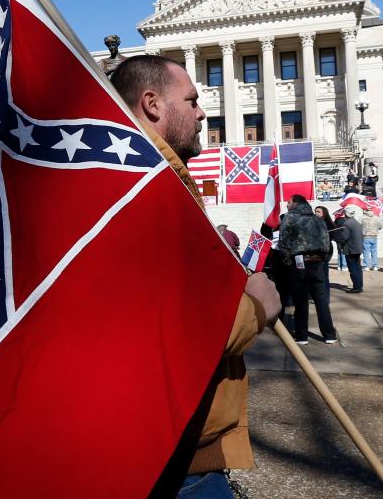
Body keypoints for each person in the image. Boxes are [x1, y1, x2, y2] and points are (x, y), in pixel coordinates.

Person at [110, 55, 281, 497]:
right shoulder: (144, 191)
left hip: (179, 449)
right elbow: (171, 334)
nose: (203, 112)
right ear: (152, 104)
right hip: (172, 460)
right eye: (191, 100)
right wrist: (257, 305)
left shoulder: (161, 183)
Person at [279, 194, 338, 345]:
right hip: (317, 262)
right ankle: (329, 334)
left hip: (299, 263)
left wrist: (286, 261)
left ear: (295, 203)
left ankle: (302, 335)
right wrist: (323, 258)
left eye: (289, 202)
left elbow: (283, 241)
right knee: (321, 300)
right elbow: (326, 242)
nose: (287, 204)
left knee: (300, 301)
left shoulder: (289, 218)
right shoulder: (317, 219)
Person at [338, 205, 364, 293]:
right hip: (357, 248)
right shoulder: (356, 222)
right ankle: (359, 285)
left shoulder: (347, 223)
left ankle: (356, 287)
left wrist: (339, 241)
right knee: (358, 268)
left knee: (353, 269)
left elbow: (345, 237)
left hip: (350, 249)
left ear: (346, 214)